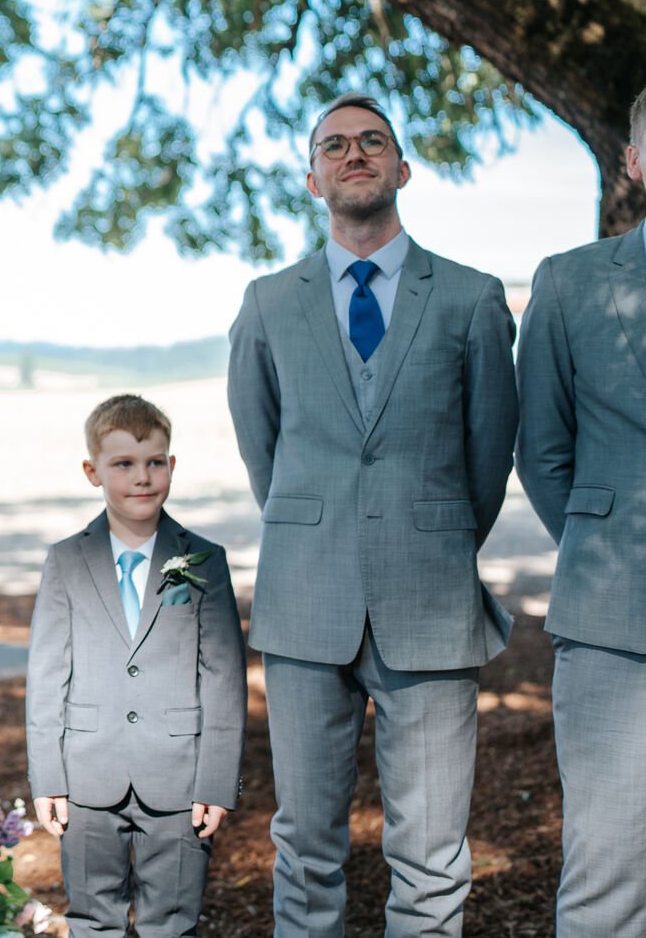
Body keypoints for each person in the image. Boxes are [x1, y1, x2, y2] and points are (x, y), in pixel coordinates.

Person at [227, 94, 517, 937]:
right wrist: (320, 532)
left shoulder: (469, 297)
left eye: (372, 141)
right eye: (334, 145)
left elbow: (489, 454)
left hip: (431, 602)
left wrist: (429, 538)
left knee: (431, 851)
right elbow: (263, 451)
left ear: (403, 168)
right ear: (312, 178)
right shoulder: (268, 302)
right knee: (304, 843)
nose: (354, 153)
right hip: (304, 602)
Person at [518, 70, 646, 936]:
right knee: (606, 873)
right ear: (633, 159)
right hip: (617, 621)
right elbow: (544, 450)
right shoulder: (570, 282)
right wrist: (610, 542)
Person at [27, 394, 246, 938]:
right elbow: (47, 676)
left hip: (179, 780)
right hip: (86, 777)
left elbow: (223, 679)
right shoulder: (66, 561)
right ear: (92, 472)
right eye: (123, 464)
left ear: (172, 465)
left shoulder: (205, 560)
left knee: (171, 923)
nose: (142, 478)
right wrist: (48, 778)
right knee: (91, 920)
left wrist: (216, 781)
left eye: (154, 462)